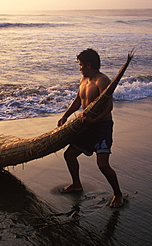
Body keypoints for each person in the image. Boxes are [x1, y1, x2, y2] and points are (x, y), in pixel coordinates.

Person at [57, 48, 123, 208]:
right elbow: (78, 101)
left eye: (81, 65)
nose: (79, 68)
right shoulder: (83, 80)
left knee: (102, 165)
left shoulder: (103, 81)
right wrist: (65, 115)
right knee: (70, 155)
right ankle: (77, 184)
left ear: (89, 65)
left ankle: (118, 194)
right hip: (86, 125)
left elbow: (108, 107)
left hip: (102, 127)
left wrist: (94, 121)